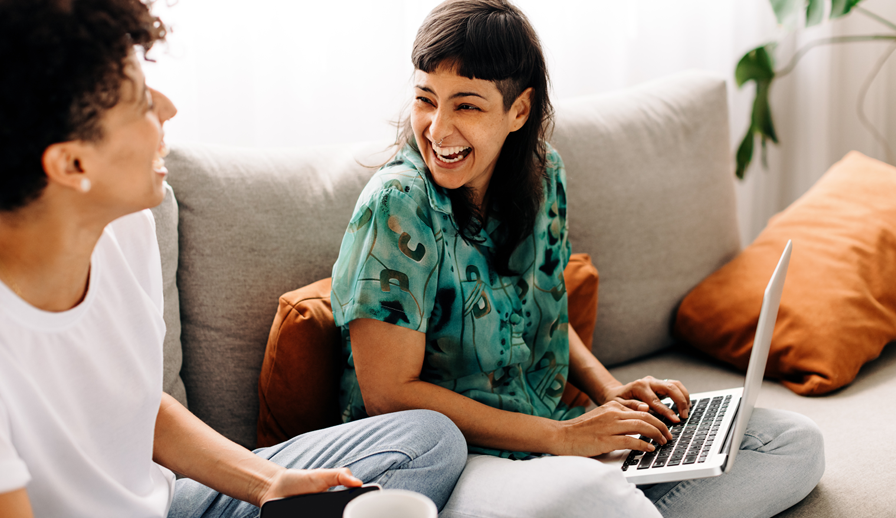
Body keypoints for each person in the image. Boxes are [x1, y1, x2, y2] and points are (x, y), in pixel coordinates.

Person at [330, 1, 825, 517]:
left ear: (518, 111)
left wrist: (613, 394)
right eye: (426, 99)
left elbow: (535, 309)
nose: (437, 128)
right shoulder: (398, 205)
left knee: (791, 441)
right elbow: (388, 395)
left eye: (467, 106)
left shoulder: (544, 178)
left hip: (551, 429)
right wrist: (562, 438)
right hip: (460, 460)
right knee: (597, 499)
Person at [0, 1, 467, 517]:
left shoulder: (126, 229)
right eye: (138, 103)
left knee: (429, 440)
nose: (168, 108)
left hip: (171, 505)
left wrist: (270, 482)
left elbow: (137, 409)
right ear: (71, 163)